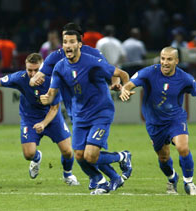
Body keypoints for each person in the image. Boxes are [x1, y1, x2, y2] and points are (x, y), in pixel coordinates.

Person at [30, 22, 125, 190]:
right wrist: (36, 81)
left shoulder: (92, 55)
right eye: (64, 40)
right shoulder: (56, 58)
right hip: (76, 108)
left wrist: (116, 83)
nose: (67, 45)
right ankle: (102, 178)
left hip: (97, 107)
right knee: (81, 155)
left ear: (80, 42)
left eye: (71, 40)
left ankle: (119, 160)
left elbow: (113, 72)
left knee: (90, 153)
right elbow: (38, 77)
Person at [119, 47, 196, 195]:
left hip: (175, 119)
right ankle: (172, 178)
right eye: (162, 59)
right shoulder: (149, 72)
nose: (165, 62)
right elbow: (130, 84)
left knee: (183, 148)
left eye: (169, 59)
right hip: (155, 123)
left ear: (177, 61)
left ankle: (189, 182)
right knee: (163, 157)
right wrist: (124, 89)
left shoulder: (185, 78)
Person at [0, 53, 79, 185]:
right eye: (30, 70)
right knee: (28, 154)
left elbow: (54, 108)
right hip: (30, 118)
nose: (32, 74)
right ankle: (37, 158)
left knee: (67, 151)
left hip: (52, 117)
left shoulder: (53, 79)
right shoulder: (20, 78)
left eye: (36, 70)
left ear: (43, 68)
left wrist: (43, 124)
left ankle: (68, 175)